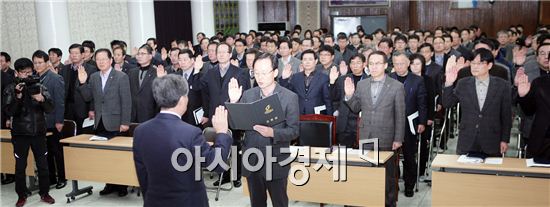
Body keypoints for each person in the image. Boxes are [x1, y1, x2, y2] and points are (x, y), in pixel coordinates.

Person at [133, 74, 233, 207]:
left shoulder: (140, 131)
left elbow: (143, 175)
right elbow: (217, 164)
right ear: (182, 100)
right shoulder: (190, 133)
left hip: (154, 200)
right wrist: (221, 133)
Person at [228, 53, 299, 207]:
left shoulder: (289, 97)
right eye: (256, 73)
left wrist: (272, 133)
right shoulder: (248, 95)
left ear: (275, 72)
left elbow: (294, 131)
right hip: (252, 159)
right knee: (257, 203)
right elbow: (235, 125)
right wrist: (234, 102)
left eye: (264, 73)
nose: (259, 77)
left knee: (279, 203)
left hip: (276, 160)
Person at [344, 51, 405, 206]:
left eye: (378, 63)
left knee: (387, 176)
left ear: (385, 65)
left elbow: (400, 114)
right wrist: (349, 96)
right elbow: (356, 108)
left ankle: (389, 204)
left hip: (387, 137)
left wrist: (398, 138)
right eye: (371, 63)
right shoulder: (362, 84)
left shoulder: (396, 86)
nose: (374, 66)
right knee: (367, 173)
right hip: (366, 135)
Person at [2, 58, 56, 207]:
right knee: (20, 167)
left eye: (29, 72)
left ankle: (44, 193)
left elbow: (51, 108)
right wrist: (18, 97)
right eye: (23, 72)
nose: (27, 75)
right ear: (17, 73)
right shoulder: (11, 88)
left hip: (38, 132)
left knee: (43, 166)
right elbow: (9, 111)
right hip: (20, 134)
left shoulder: (40, 86)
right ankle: (21, 195)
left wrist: (41, 99)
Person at [78, 48, 132, 196]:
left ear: (110, 60)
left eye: (104, 59)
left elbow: (126, 102)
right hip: (100, 121)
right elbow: (88, 97)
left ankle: (122, 186)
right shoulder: (94, 77)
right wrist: (83, 83)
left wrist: (125, 122)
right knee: (104, 156)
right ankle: (110, 184)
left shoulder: (121, 77)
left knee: (118, 156)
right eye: (98, 59)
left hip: (116, 122)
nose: (101, 62)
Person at [443, 48, 512, 156]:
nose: (475, 66)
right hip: (467, 138)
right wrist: (448, 82)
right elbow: (448, 103)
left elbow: (506, 115)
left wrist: (504, 139)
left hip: (492, 139)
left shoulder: (502, 85)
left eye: (480, 63)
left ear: (489, 65)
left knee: (489, 172)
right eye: (473, 63)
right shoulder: (463, 83)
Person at [389, 52, 427, 197]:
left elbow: (422, 103)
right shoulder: (388, 78)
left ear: (408, 64)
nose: (399, 66)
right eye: (396, 63)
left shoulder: (417, 80)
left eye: (401, 63)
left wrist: (422, 122)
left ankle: (409, 185)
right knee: (391, 156)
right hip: (390, 122)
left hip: (409, 122)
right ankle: (393, 183)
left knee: (409, 156)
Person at [31, 50, 67, 189]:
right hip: (39, 122)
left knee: (57, 151)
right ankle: (51, 177)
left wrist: (59, 121)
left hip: (53, 121)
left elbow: (60, 101)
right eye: (35, 63)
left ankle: (62, 177)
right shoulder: (34, 78)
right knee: (45, 152)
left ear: (47, 63)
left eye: (40, 62)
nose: (38, 65)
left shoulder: (54, 78)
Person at [330, 54, 368, 147]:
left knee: (362, 155)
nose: (355, 65)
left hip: (362, 122)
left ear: (364, 64)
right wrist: (336, 110)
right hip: (344, 122)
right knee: (344, 154)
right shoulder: (342, 79)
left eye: (358, 63)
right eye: (352, 63)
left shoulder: (369, 80)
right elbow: (334, 98)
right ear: (349, 65)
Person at [59, 44, 98, 134]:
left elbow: (94, 91)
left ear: (83, 55)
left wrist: (92, 109)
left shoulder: (91, 69)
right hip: (68, 107)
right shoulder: (64, 69)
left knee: (84, 134)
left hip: (84, 107)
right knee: (69, 133)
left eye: (76, 53)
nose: (73, 55)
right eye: (71, 53)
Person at [409, 54, 436, 181]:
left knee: (422, 145)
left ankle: (421, 171)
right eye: (412, 63)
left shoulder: (428, 80)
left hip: (424, 118)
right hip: (408, 116)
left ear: (423, 65)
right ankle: (409, 171)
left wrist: (428, 118)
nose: (415, 66)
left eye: (418, 64)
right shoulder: (406, 78)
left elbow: (431, 100)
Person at [280, 49, 333, 115]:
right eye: (305, 59)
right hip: (298, 113)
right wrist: (284, 79)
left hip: (317, 115)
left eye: (310, 59)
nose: (307, 62)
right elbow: (287, 93)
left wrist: (330, 118)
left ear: (316, 61)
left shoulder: (323, 78)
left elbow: (327, 100)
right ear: (301, 61)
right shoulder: (295, 77)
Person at [128, 44, 165, 123]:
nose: (139, 56)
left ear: (150, 56)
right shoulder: (132, 72)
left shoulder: (157, 72)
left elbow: (161, 94)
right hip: (133, 114)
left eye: (143, 54)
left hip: (150, 113)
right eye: (138, 54)